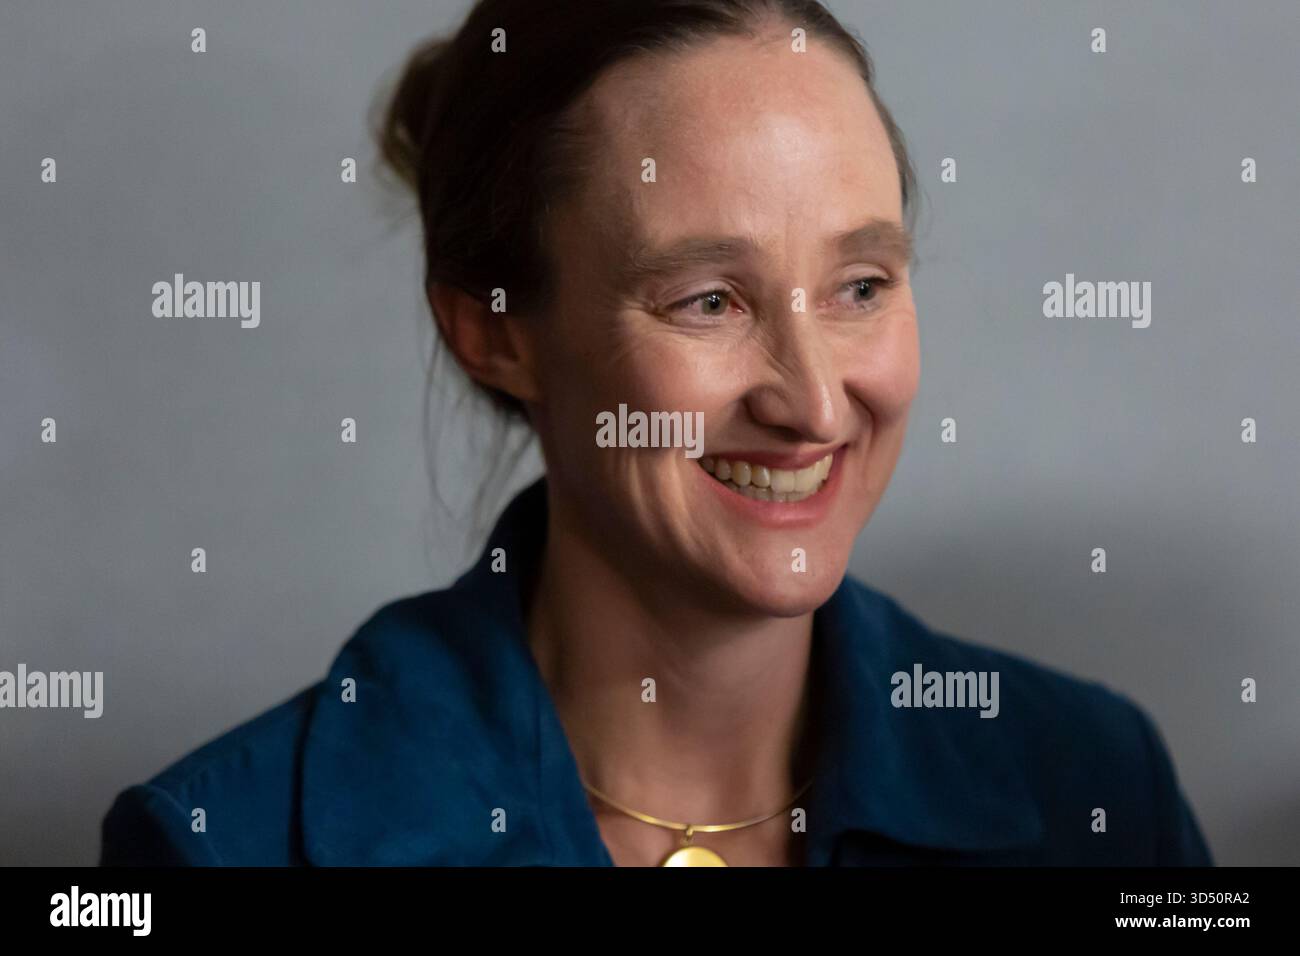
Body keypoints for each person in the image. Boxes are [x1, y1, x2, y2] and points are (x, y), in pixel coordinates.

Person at [100, 0, 1212, 867]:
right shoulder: (220, 841)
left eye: (860, 284)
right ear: (493, 333)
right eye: (708, 301)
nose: (815, 404)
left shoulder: (1096, 786)